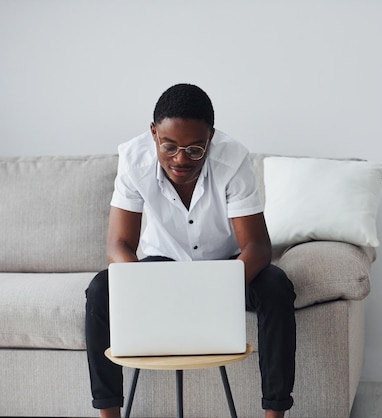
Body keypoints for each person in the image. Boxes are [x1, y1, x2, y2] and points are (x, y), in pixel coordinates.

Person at [85, 83, 296, 418]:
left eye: (195, 149)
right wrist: (142, 288)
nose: (180, 159)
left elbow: (256, 246)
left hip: (225, 266)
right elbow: (119, 245)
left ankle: (274, 413)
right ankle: (109, 415)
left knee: (276, 287)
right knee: (99, 290)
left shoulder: (233, 158)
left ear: (210, 137)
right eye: (169, 147)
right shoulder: (133, 159)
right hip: (158, 267)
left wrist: (216, 290)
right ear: (153, 133)